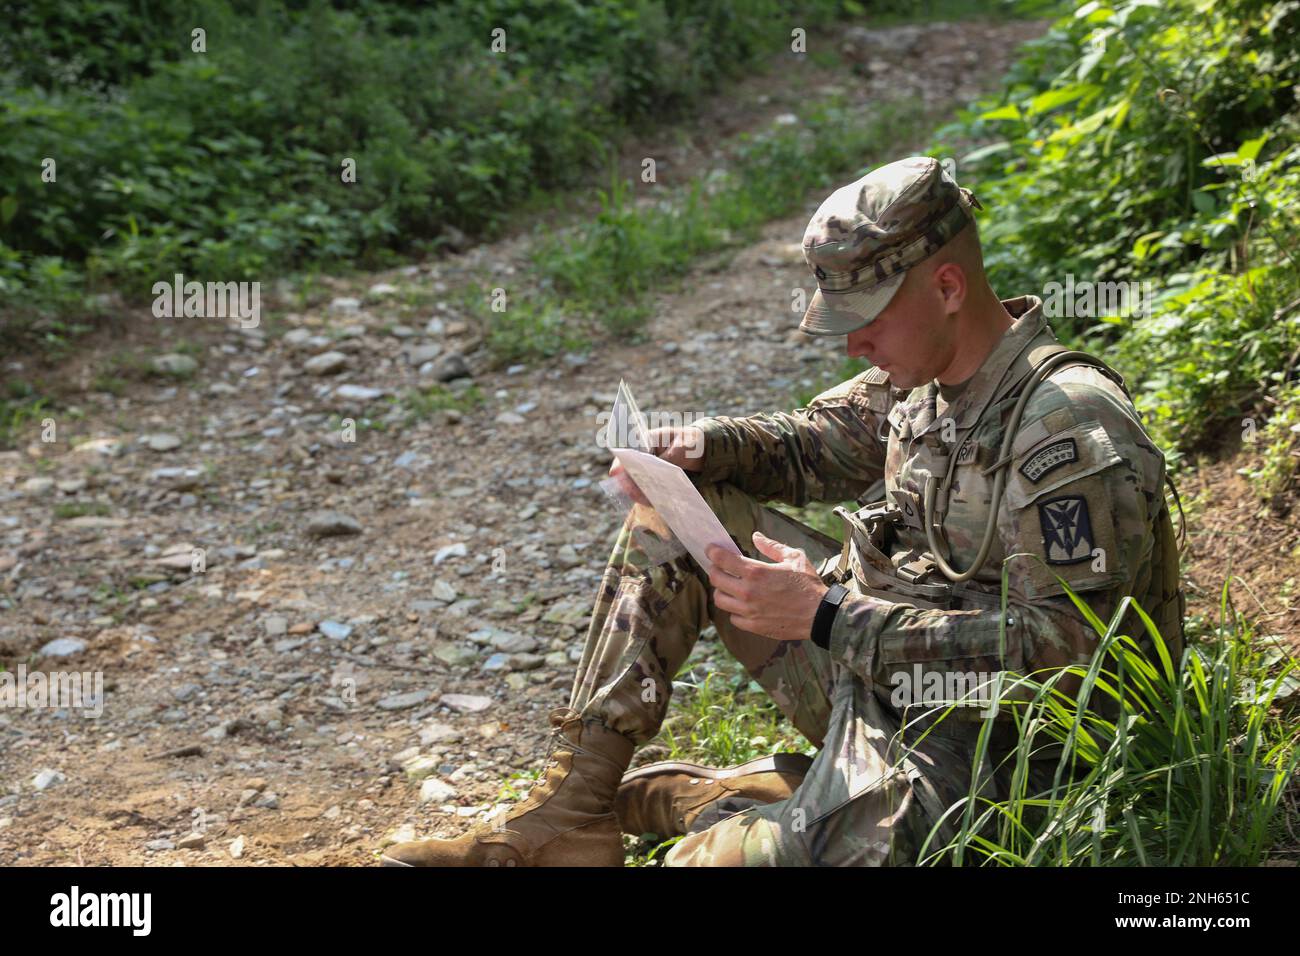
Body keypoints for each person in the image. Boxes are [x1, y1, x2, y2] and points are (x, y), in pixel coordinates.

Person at [382, 155, 1185, 867]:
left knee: (726, 861)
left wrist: (831, 616)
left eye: (866, 320)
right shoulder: (926, 378)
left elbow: (1075, 653)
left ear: (947, 287)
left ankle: (752, 805)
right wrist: (703, 447)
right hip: (890, 682)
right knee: (673, 523)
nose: (851, 347)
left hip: (1008, 751)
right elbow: (814, 445)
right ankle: (572, 815)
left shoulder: (1064, 426)